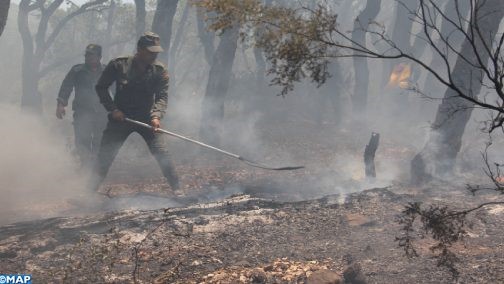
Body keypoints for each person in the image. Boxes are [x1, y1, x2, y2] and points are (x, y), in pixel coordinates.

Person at [92, 32, 179, 193]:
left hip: (147, 119)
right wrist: (113, 110)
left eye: (156, 51)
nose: (154, 55)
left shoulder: (159, 71)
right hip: (121, 118)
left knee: (162, 153)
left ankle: (177, 189)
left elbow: (162, 97)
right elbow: (101, 87)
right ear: (139, 49)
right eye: (150, 51)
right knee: (105, 156)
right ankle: (87, 193)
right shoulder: (118, 65)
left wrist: (156, 116)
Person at [56, 44, 107, 170]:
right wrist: (61, 104)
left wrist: (118, 108)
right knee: (82, 141)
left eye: (91, 55)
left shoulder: (106, 71)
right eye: (87, 55)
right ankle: (86, 167)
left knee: (99, 142)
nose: (88, 57)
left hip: (101, 113)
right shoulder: (77, 70)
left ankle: (95, 169)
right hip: (82, 112)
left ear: (99, 56)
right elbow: (66, 87)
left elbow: (115, 89)